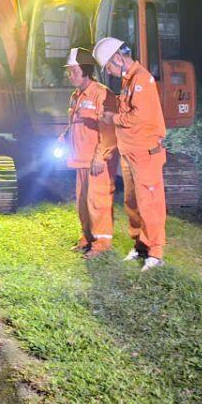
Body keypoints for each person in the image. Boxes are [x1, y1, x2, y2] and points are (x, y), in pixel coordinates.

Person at [93, 36, 169, 271]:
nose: (110, 73)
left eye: (109, 68)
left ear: (118, 58)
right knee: (133, 203)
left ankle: (155, 253)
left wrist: (112, 118)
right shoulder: (128, 82)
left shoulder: (141, 79)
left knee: (150, 204)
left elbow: (140, 117)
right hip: (131, 153)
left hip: (145, 154)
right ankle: (140, 246)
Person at [60, 48, 118, 257]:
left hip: (97, 161)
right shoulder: (76, 96)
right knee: (83, 203)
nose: (70, 75)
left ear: (85, 70)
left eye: (74, 71)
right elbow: (75, 123)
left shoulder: (102, 94)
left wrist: (100, 156)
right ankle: (87, 239)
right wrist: (65, 136)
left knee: (98, 202)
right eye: (69, 71)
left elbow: (109, 130)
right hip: (80, 160)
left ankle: (102, 245)